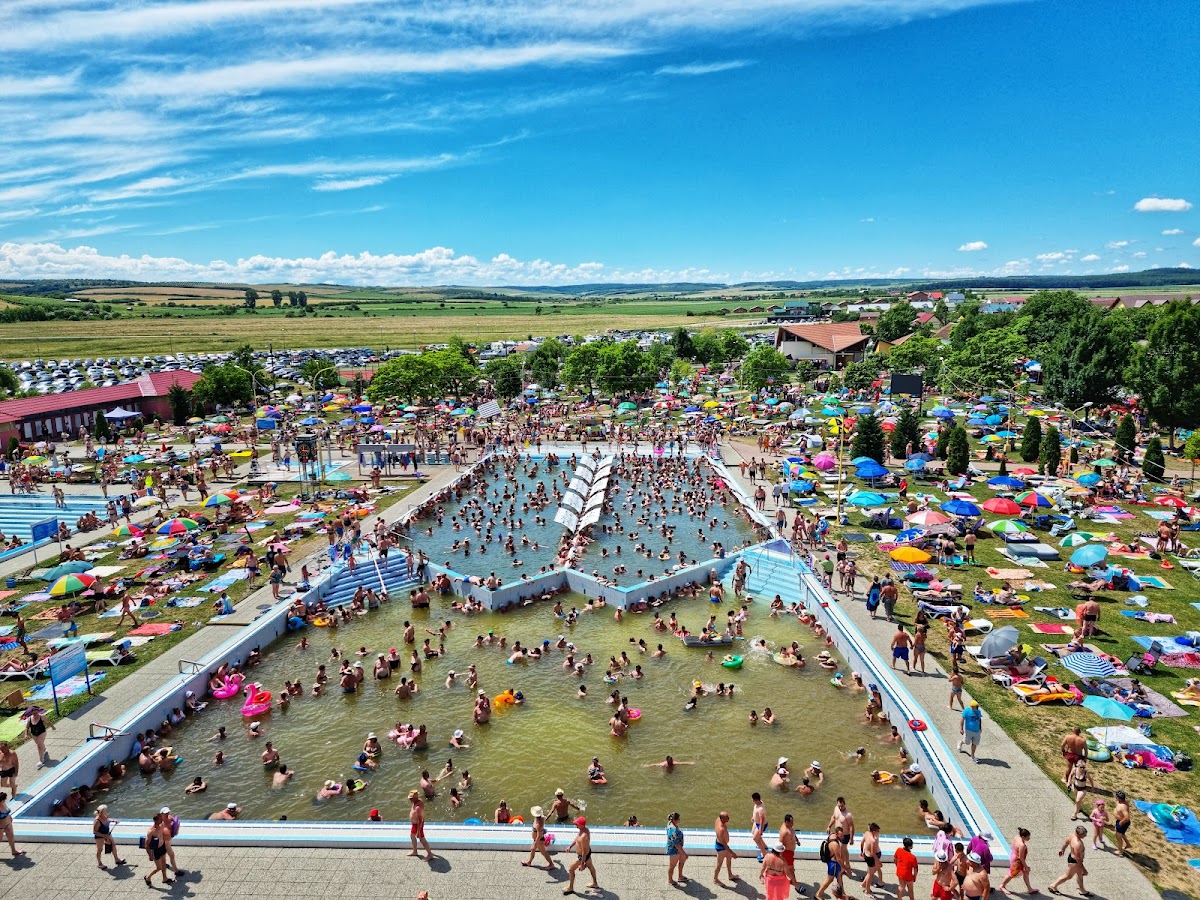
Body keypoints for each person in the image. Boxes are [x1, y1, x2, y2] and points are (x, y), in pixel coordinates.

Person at [563, 816, 598, 896]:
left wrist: (582, 865)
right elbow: (577, 839)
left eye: (577, 824)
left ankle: (570, 887)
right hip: (588, 853)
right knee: (591, 867)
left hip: (582, 856)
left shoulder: (583, 837)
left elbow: (583, 853)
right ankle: (595, 883)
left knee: (571, 869)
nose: (576, 825)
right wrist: (570, 846)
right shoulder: (584, 829)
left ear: (582, 825)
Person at [999, 827, 1036, 895]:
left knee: (1025, 872)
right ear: (1023, 836)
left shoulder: (1017, 837)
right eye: (1028, 837)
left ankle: (1029, 889)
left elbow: (1013, 846)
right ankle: (1002, 885)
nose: (1029, 838)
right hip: (1017, 861)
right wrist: (1026, 866)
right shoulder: (1022, 845)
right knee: (1011, 874)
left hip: (1013, 855)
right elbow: (1021, 858)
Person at [522, 805, 555, 871]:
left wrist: (534, 843)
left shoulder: (538, 824)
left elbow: (539, 835)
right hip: (537, 839)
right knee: (533, 850)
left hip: (539, 840)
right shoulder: (541, 818)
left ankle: (551, 864)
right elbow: (545, 819)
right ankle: (529, 862)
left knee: (543, 852)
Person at [713, 810, 738, 886]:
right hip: (721, 847)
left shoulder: (718, 819)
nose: (729, 818)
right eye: (727, 818)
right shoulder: (721, 829)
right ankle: (715, 879)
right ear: (722, 819)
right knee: (719, 863)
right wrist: (732, 853)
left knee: (729, 858)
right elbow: (724, 844)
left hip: (723, 845)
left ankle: (730, 875)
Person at [407, 790, 434, 861]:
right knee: (412, 836)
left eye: (411, 798)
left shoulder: (418, 808)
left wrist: (418, 831)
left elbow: (420, 820)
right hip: (414, 824)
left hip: (417, 825)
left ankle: (430, 854)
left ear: (415, 798)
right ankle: (415, 851)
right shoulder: (417, 801)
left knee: (422, 839)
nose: (409, 799)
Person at [860, 822, 883, 896]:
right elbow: (873, 853)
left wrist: (861, 851)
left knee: (870, 872)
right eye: (878, 831)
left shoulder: (866, 833)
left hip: (866, 855)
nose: (878, 833)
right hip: (871, 857)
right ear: (874, 831)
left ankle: (864, 885)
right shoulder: (873, 840)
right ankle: (867, 890)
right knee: (870, 874)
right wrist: (878, 861)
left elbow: (861, 843)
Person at [893, 835, 918, 900]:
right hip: (908, 875)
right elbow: (915, 868)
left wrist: (897, 866)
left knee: (901, 887)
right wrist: (915, 876)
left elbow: (895, 859)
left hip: (900, 872)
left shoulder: (898, 850)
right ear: (910, 846)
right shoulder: (913, 857)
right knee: (910, 889)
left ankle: (899, 898)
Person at [666, 811, 687, 886]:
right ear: (675, 820)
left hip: (678, 849)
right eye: (679, 819)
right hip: (674, 850)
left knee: (681, 861)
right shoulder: (673, 830)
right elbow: (676, 844)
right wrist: (683, 853)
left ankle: (680, 876)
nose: (680, 820)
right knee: (672, 866)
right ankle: (670, 880)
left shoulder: (670, 823)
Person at [1113, 791, 1132, 856]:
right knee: (1122, 834)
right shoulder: (1119, 802)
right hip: (1119, 821)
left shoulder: (1123, 806)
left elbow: (1127, 817)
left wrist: (1121, 823)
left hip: (1123, 822)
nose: (1115, 797)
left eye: (1116, 796)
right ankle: (1128, 844)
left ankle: (1120, 851)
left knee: (1118, 836)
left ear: (1119, 798)